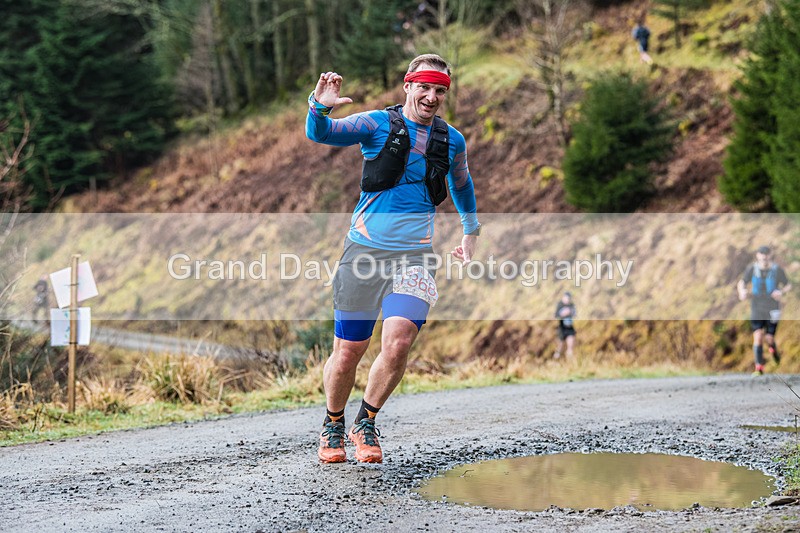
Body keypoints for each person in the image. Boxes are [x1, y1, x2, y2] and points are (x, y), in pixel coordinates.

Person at [306, 54, 480, 463]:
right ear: (408, 85)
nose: (432, 97)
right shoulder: (375, 125)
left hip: (415, 256)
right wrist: (319, 106)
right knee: (349, 350)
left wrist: (471, 230)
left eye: (440, 90)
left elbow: (462, 185)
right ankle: (333, 424)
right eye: (425, 87)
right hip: (363, 252)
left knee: (399, 341)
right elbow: (322, 134)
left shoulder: (452, 140)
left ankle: (365, 421)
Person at [737, 246, 791, 375]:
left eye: (766, 254)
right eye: (762, 254)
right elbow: (742, 282)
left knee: (769, 338)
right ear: (757, 255)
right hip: (757, 306)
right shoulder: (752, 269)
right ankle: (759, 367)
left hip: (773, 306)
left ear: (770, 255)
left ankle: (774, 351)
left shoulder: (777, 270)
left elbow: (788, 284)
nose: (764, 257)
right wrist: (742, 291)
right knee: (758, 335)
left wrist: (781, 291)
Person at [554, 291, 576, 359]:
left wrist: (570, 312)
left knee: (570, 345)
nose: (567, 300)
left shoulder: (571, 305)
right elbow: (556, 315)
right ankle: (556, 359)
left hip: (569, 327)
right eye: (566, 298)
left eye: (568, 298)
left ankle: (570, 361)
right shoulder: (560, 305)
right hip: (562, 328)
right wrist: (562, 313)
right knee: (560, 346)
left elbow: (575, 314)